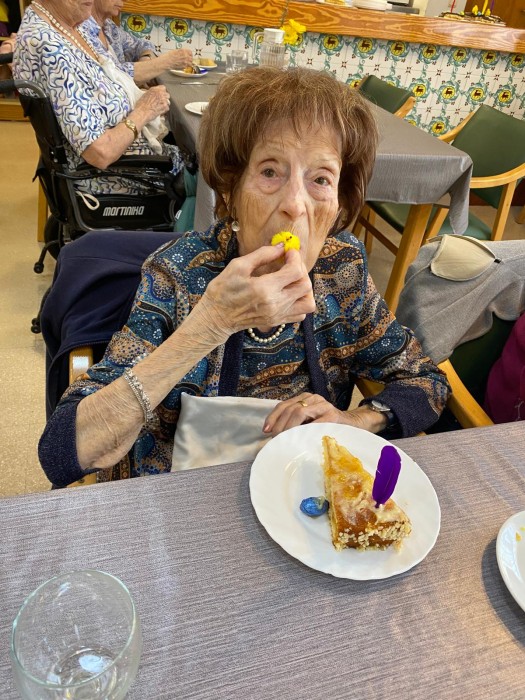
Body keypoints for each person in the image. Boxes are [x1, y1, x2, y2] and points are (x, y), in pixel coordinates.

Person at [38, 67, 450, 487]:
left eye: (320, 179)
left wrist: (353, 421)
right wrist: (212, 322)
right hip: (178, 494)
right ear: (230, 191)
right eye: (270, 172)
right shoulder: (177, 273)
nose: (295, 204)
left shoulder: (341, 270)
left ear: (339, 205)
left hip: (296, 495)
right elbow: (63, 451)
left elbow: (427, 381)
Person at [13, 0, 190, 198]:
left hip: (134, 162)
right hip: (117, 179)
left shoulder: (71, 27)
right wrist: (145, 110)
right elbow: (101, 152)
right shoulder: (50, 47)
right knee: (209, 172)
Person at [80, 0, 192, 85]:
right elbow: (111, 76)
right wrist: (167, 61)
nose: (124, 1)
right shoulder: (81, 30)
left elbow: (142, 44)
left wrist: (146, 59)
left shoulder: (109, 27)